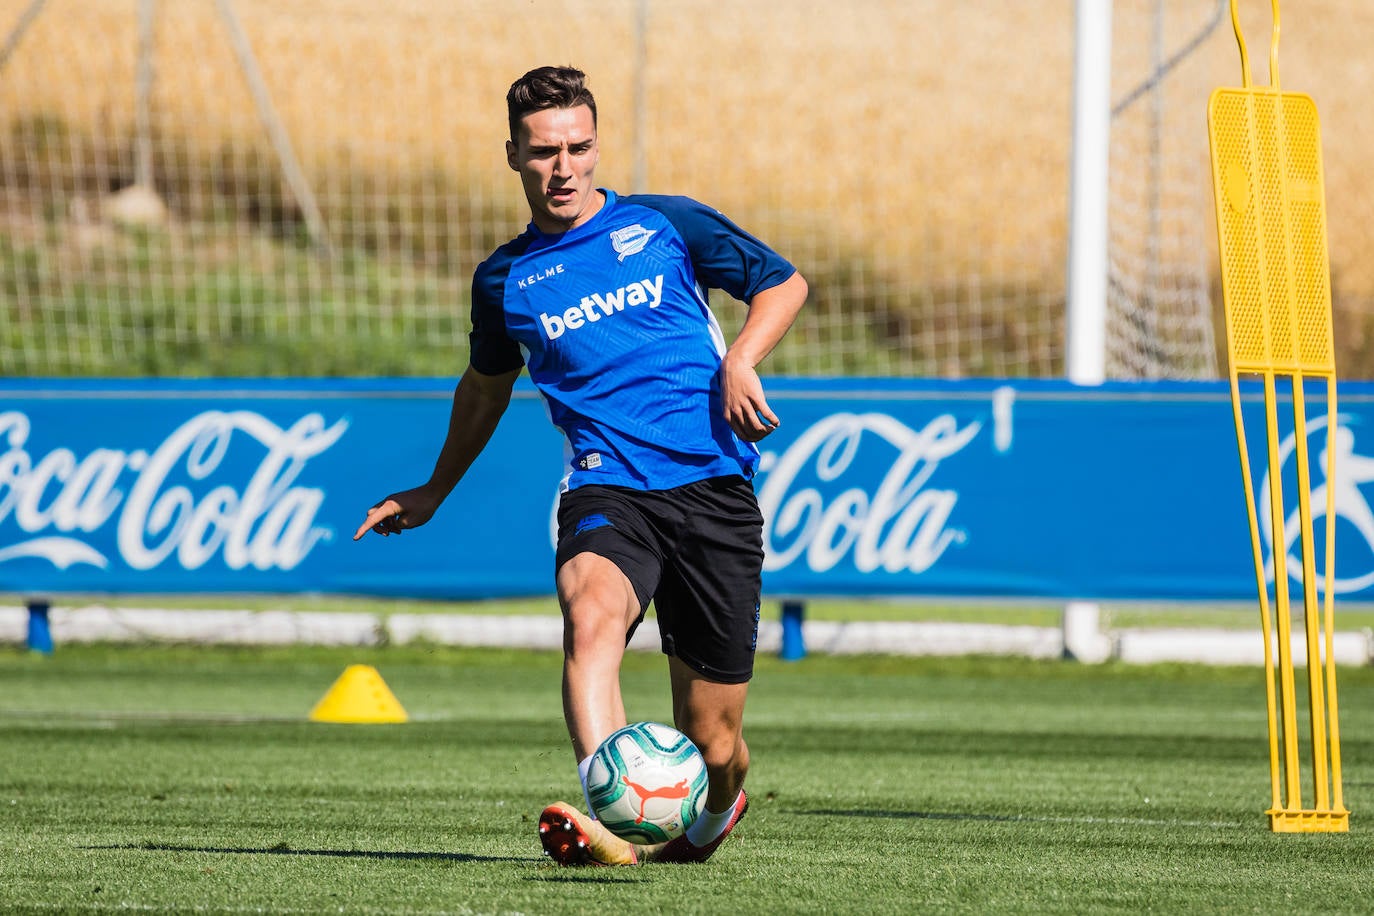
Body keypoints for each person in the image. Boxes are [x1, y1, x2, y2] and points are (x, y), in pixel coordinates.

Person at [353, 65, 807, 866]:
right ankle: (613, 816)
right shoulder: (505, 280)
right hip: (607, 486)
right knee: (589, 616)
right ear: (513, 156)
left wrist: (741, 359)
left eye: (578, 147)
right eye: (543, 152)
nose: (562, 167)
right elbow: (486, 389)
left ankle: (710, 817)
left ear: (596, 146)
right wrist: (433, 489)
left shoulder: (666, 224)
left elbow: (783, 284)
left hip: (712, 491)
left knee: (716, 741)